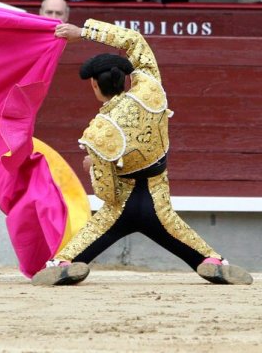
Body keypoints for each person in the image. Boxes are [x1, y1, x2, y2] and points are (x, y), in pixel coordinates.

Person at [31, 18, 254, 286]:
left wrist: (95, 164)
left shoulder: (100, 131)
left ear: (94, 85)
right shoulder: (150, 89)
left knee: (81, 243)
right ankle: (212, 261)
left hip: (120, 208)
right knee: (185, 238)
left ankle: (63, 263)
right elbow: (134, 40)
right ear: (124, 79)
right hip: (157, 203)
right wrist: (83, 33)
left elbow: (107, 194)